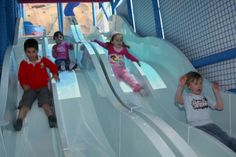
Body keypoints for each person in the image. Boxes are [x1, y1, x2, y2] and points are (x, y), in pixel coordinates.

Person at [175, 71, 236, 152]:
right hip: (196, 126)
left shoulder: (205, 97)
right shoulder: (187, 98)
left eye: (200, 83)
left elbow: (220, 107)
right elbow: (178, 100)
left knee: (226, 138)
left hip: (210, 124)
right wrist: (180, 86)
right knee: (217, 141)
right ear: (189, 86)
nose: (199, 86)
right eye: (196, 83)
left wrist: (216, 92)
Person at [14, 38, 60, 131]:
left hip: (42, 87)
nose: (31, 55)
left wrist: (55, 73)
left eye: (33, 52)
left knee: (45, 103)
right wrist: (24, 85)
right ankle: (19, 120)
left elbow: (53, 66)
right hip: (30, 88)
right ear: (25, 52)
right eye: (28, 52)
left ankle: (51, 117)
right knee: (25, 104)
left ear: (37, 51)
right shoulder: (24, 63)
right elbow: (21, 76)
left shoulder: (43, 60)